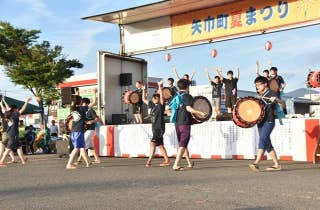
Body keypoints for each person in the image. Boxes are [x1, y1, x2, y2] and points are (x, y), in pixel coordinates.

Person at [249, 76, 284, 172]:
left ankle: (256, 163)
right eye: (256, 85)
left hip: (269, 121)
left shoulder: (272, 93)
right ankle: (277, 164)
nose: (257, 87)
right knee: (267, 144)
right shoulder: (260, 94)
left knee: (263, 139)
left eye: (258, 85)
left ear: (265, 84)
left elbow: (282, 103)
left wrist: (276, 100)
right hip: (260, 122)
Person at [172, 79, 206, 171]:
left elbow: (170, 109)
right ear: (187, 87)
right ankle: (176, 164)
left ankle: (189, 163)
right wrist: (200, 113)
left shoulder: (176, 96)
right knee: (183, 144)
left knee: (183, 144)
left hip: (177, 123)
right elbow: (188, 108)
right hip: (185, 122)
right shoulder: (187, 96)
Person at [142, 80, 170, 167]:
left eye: (155, 97)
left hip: (159, 128)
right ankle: (167, 161)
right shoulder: (152, 105)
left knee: (152, 143)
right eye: (153, 97)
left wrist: (160, 87)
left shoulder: (161, 106)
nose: (154, 98)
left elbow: (161, 97)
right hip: (155, 129)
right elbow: (144, 99)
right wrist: (143, 90)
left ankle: (149, 161)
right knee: (160, 145)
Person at [0, 96, 31, 167]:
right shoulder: (15, 115)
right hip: (13, 134)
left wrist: (4, 102)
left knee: (19, 147)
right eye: (17, 109)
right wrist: (26, 101)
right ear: (14, 110)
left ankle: (23, 161)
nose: (18, 110)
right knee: (8, 148)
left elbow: (7, 109)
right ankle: (1, 161)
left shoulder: (7, 114)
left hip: (10, 133)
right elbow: (23, 109)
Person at [66, 95, 91, 169]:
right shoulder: (82, 109)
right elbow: (92, 104)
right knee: (77, 148)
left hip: (74, 131)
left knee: (81, 147)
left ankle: (88, 163)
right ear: (81, 102)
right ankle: (69, 164)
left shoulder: (73, 109)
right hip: (78, 131)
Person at [75, 97, 101, 164]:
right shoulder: (83, 111)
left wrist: (91, 121)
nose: (81, 104)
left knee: (82, 146)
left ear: (85, 103)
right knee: (90, 146)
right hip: (86, 130)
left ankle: (79, 160)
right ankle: (97, 159)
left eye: (82, 103)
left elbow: (97, 119)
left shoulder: (90, 110)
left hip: (90, 130)